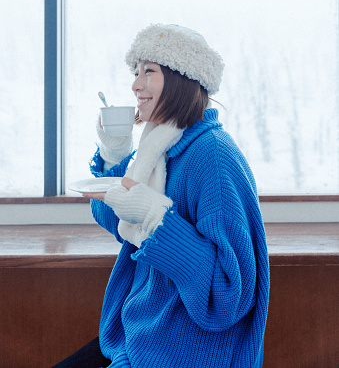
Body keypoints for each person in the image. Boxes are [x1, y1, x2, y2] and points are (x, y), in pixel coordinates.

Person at [54, 23, 270, 368]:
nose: (136, 84)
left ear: (182, 79)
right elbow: (122, 221)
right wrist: (115, 155)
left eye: (148, 72)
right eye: (136, 71)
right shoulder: (163, 145)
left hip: (181, 351)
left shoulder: (212, 156)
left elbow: (228, 296)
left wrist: (158, 219)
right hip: (139, 333)